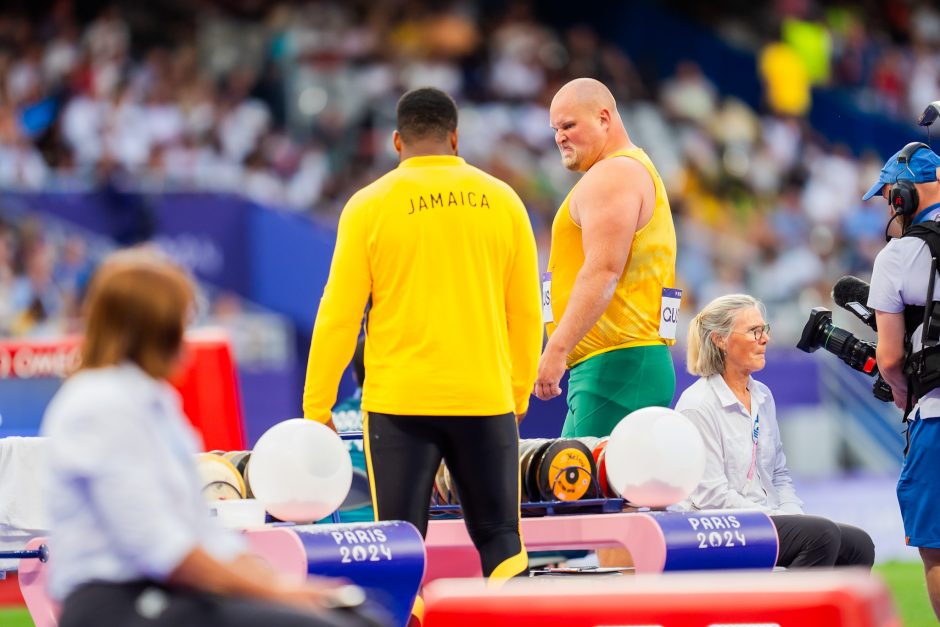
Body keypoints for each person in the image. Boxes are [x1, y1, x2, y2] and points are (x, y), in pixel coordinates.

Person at [41, 249, 379, 627]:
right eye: (181, 324)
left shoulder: (156, 402)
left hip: (170, 593)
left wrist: (282, 584)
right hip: (116, 604)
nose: (188, 338)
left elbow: (203, 531)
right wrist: (280, 593)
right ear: (155, 331)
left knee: (359, 617)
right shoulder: (97, 405)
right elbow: (161, 548)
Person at [302, 87, 542, 583]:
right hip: (484, 398)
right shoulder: (504, 201)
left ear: (396, 141)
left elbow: (339, 315)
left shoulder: (368, 206)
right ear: (455, 138)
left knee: (399, 541)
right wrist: (517, 392)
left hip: (400, 404)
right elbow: (525, 313)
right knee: (501, 537)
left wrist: (316, 407)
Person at [675, 293, 875, 570]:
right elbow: (711, 496)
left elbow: (779, 474)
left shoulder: (762, 396)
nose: (765, 339)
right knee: (822, 535)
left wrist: (792, 515)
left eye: (763, 330)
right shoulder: (697, 405)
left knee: (858, 545)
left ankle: (819, 613)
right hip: (718, 526)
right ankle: (789, 613)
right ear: (719, 340)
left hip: (763, 519)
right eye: (753, 332)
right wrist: (773, 518)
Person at [534, 77, 678, 439]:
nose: (559, 137)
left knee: (576, 492)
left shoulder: (613, 174)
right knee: (610, 493)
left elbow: (602, 272)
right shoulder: (628, 169)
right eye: (555, 128)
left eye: (568, 125)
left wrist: (556, 349)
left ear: (603, 119)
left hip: (617, 363)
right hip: (622, 361)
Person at [863, 142, 940, 618]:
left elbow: (889, 357)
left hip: (935, 415)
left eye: (889, 195)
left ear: (903, 197)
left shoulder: (897, 256)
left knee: (937, 548)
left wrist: (900, 392)